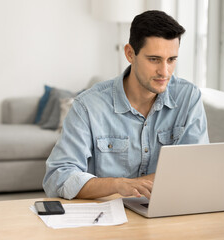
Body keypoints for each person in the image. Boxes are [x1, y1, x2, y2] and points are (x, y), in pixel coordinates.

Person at [43, 10, 209, 200]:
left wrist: (136, 186)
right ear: (130, 53)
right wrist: (118, 184)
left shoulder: (188, 97)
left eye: (171, 60)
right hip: (106, 218)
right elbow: (57, 178)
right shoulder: (88, 106)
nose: (164, 71)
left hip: (166, 212)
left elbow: (196, 169)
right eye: (154, 59)